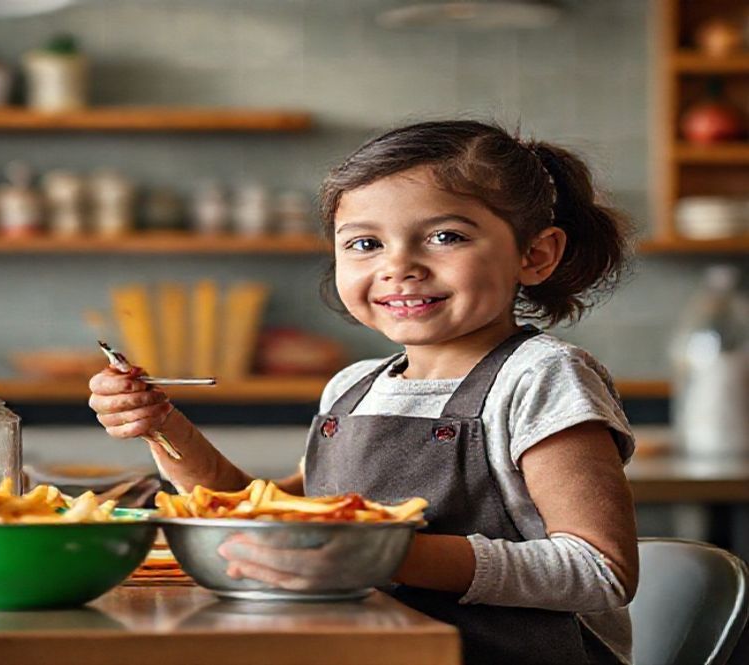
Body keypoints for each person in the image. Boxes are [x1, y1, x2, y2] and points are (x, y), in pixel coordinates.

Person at [89, 120, 639, 665]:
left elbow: (599, 569)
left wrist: (375, 555)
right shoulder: (353, 387)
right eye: (365, 243)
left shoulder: (539, 377)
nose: (398, 266)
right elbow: (271, 515)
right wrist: (161, 425)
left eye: (446, 236)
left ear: (535, 255)